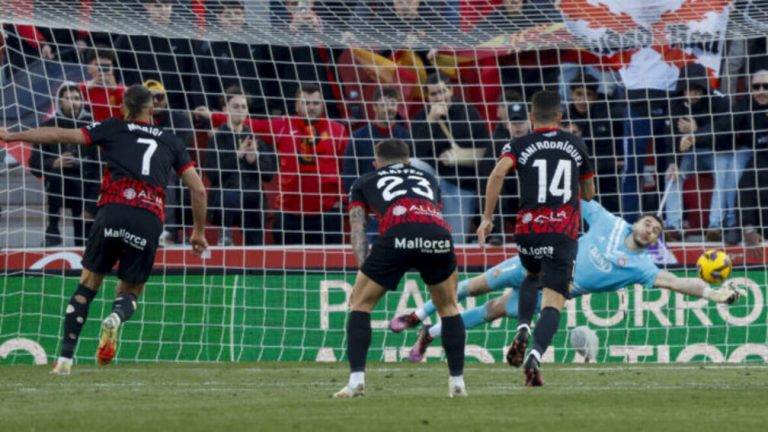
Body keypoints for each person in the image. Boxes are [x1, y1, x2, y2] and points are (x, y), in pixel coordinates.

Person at [0, 85, 209, 375]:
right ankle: (115, 316)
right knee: (130, 292)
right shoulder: (172, 141)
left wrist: (12, 136)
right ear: (151, 109)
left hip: (112, 210)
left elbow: (61, 134)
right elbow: (198, 190)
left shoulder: (113, 127)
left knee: (87, 284)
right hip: (148, 216)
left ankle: (64, 360)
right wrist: (198, 232)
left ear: (124, 107)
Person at [391, 200, 746, 361]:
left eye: (656, 231)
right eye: (649, 223)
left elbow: (676, 282)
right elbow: (578, 196)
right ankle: (418, 315)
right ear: (638, 221)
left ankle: (429, 334)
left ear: (655, 241)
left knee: (493, 311)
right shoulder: (608, 220)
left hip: (552, 290)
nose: (650, 229)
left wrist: (714, 294)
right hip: (538, 259)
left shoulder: (640, 266)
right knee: (477, 284)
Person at [477, 90, 595, 386]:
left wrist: (487, 218)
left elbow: (496, 175)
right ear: (560, 117)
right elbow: (589, 194)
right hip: (562, 232)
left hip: (528, 231)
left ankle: (523, 326)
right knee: (554, 302)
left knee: (531, 273)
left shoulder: (518, 144)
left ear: (531, 118)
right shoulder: (577, 144)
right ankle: (536, 355)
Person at [334, 139, 466, 398]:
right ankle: (458, 382)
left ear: (376, 162)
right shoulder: (428, 179)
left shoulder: (363, 181)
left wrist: (365, 269)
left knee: (360, 304)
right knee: (449, 308)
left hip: (397, 233)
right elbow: (430, 213)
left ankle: (356, 381)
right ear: (408, 161)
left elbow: (358, 227)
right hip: (437, 235)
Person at [411, 72, 491, 243]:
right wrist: (431, 119)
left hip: (461, 186)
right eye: (433, 94)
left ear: (452, 90)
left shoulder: (468, 113)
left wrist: (460, 157)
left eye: (442, 91)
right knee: (412, 163)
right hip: (432, 185)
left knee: (455, 242)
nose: (439, 97)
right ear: (427, 96)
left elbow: (487, 152)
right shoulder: (421, 116)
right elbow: (416, 151)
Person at [664, 63, 735, 242]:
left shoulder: (720, 99)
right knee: (672, 174)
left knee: (723, 174)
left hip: (717, 150)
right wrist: (673, 161)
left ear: (704, 87)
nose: (692, 95)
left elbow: (724, 130)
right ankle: (674, 226)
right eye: (688, 90)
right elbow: (670, 135)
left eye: (697, 90)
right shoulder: (675, 103)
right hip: (690, 152)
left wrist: (697, 131)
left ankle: (715, 226)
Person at [203, 89, 276, 245]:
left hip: (252, 202)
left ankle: (255, 254)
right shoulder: (217, 139)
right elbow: (213, 175)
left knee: (254, 197)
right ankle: (225, 233)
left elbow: (269, 174)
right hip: (224, 201)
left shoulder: (255, 139)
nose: (241, 110)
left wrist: (254, 161)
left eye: (244, 107)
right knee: (231, 194)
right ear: (225, 109)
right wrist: (237, 155)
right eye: (236, 106)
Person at [28, 82, 95, 247]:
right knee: (56, 175)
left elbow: (101, 164)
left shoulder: (92, 125)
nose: (73, 102)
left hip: (86, 186)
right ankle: (53, 230)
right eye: (68, 98)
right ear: (59, 101)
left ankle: (84, 238)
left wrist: (83, 164)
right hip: (58, 186)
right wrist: (54, 162)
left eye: (77, 98)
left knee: (83, 185)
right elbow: (34, 164)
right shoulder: (47, 126)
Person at [342, 87, 410, 239]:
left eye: (392, 104)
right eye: (384, 104)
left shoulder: (406, 137)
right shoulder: (358, 138)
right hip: (371, 213)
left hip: (400, 212)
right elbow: (349, 175)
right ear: (374, 107)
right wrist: (362, 205)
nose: (389, 108)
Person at [144, 79, 195, 245]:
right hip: (141, 165)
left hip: (172, 166)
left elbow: (181, 145)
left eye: (160, 97)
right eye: (151, 97)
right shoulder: (137, 119)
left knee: (169, 174)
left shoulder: (179, 119)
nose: (156, 101)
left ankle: (169, 230)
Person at [566, 73, 623, 214]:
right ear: (572, 95)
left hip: (606, 173)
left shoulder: (607, 115)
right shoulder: (563, 119)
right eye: (578, 94)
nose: (582, 100)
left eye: (588, 95)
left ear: (595, 97)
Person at [78, 46, 125, 122]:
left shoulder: (123, 91)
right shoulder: (79, 89)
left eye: (107, 66)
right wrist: (86, 88)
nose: (102, 70)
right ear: (88, 68)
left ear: (112, 68)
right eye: (98, 65)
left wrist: (116, 90)